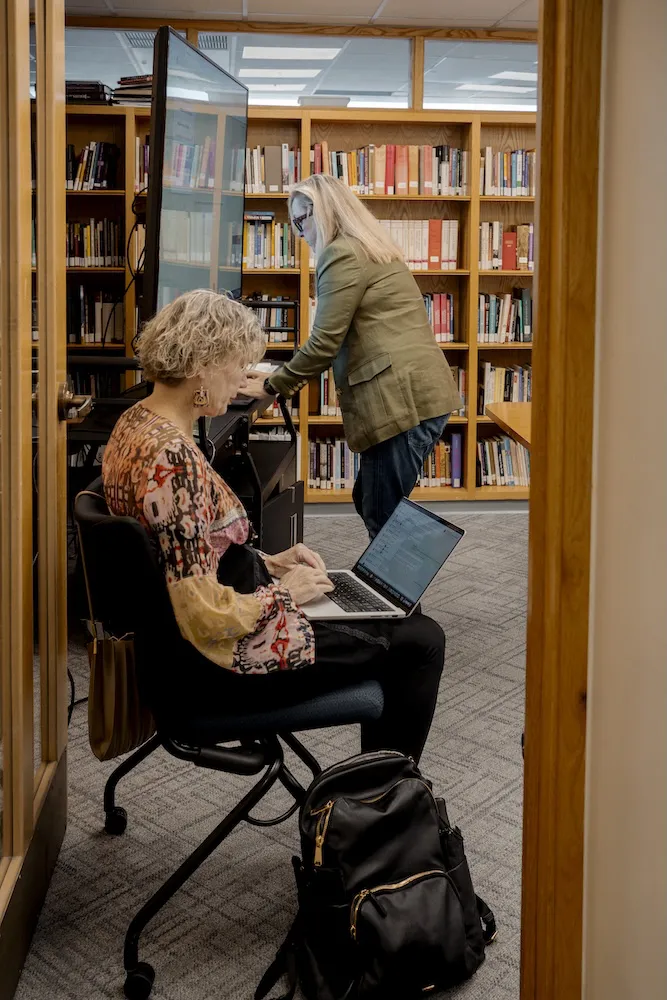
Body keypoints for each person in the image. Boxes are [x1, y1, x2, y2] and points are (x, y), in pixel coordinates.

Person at [102, 290, 444, 763]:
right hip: (219, 660)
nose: (243, 380)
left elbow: (180, 552)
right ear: (203, 365)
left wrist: (271, 562)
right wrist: (287, 595)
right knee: (419, 640)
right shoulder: (172, 461)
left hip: (186, 643)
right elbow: (202, 615)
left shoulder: (135, 424)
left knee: (389, 619)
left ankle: (376, 790)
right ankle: (380, 802)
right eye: (238, 366)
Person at [242, 173, 462, 538]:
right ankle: (394, 584)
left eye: (302, 220)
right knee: (373, 501)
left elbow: (324, 343)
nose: (299, 233)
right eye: (293, 224)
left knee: (382, 513)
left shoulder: (340, 253)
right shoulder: (368, 246)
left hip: (400, 401)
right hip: (419, 396)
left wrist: (272, 385)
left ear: (324, 211)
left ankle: (396, 592)